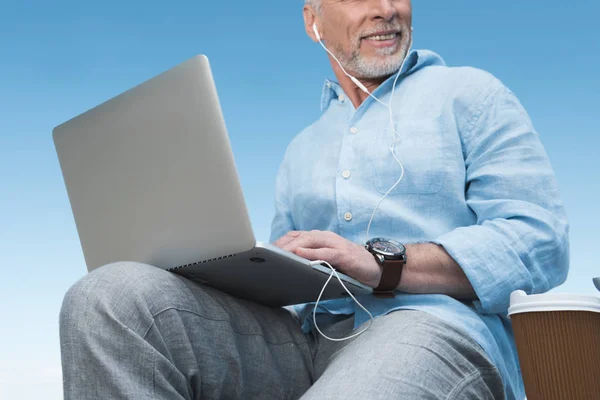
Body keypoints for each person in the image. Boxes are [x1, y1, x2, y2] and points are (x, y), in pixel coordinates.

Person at [59, 0, 569, 399]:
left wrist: (380, 264)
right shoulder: (301, 149)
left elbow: (538, 241)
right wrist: (235, 269)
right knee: (106, 299)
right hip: (303, 343)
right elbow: (284, 295)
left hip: (426, 327)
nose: (385, 10)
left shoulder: (470, 95)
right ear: (313, 21)